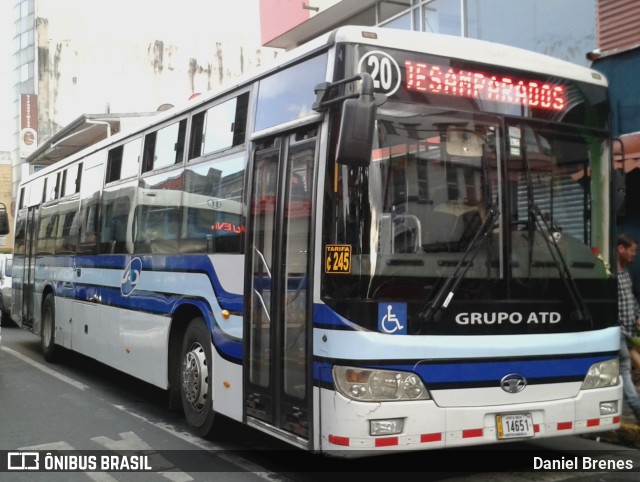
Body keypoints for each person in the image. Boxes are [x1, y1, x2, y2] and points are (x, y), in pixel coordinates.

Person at [616, 233, 640, 422]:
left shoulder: (626, 272)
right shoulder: (609, 273)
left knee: (625, 367)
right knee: (624, 367)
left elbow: (630, 298)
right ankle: (637, 407)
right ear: (620, 249)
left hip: (629, 328)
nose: (634, 254)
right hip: (617, 330)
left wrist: (638, 316)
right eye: (632, 251)